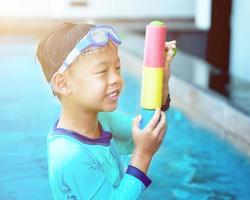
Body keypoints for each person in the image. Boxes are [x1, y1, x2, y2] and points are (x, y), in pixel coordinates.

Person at [36, 22, 176, 199]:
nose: (116, 79)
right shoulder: (70, 155)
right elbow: (142, 147)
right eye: (102, 71)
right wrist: (142, 155)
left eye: (117, 68)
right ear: (62, 84)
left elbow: (146, 133)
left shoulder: (102, 119)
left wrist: (161, 82)